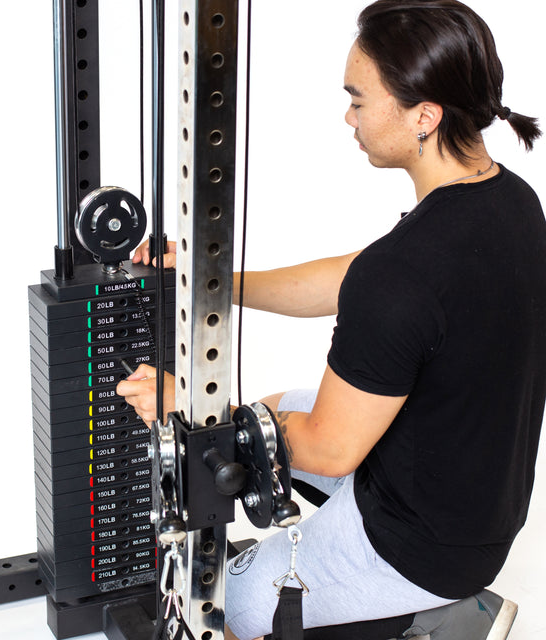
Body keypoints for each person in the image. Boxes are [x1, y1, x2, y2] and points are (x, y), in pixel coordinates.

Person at [117, 1, 546, 638]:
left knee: (205, 607)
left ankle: (437, 614)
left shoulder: (404, 275)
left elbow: (331, 448)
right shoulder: (507, 199)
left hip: (417, 546)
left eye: (358, 99)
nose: (348, 117)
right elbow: (347, 279)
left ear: (423, 116)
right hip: (474, 499)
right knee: (269, 407)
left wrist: (190, 408)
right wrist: (208, 282)